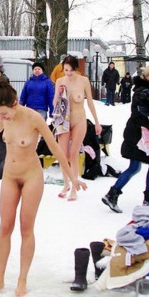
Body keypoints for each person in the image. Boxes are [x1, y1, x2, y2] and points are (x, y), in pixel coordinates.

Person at [0, 78, 85, 297]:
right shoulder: (3, 118)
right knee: (5, 226)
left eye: (4, 113)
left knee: (26, 227)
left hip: (31, 176)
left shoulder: (33, 118)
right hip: (9, 175)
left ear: (15, 104)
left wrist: (73, 177)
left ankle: (22, 280)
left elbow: (55, 148)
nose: (2, 117)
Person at [101, 65, 149, 213]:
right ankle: (113, 193)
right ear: (147, 76)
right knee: (136, 167)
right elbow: (140, 114)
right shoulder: (142, 92)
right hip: (138, 135)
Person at [52, 55, 102, 200]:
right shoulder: (60, 81)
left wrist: (97, 122)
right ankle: (66, 183)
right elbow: (55, 103)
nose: (68, 73)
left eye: (71, 70)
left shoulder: (83, 81)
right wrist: (58, 93)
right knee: (63, 155)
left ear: (76, 69)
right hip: (64, 120)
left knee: (73, 154)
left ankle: (74, 188)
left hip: (79, 119)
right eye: (66, 70)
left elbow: (91, 102)